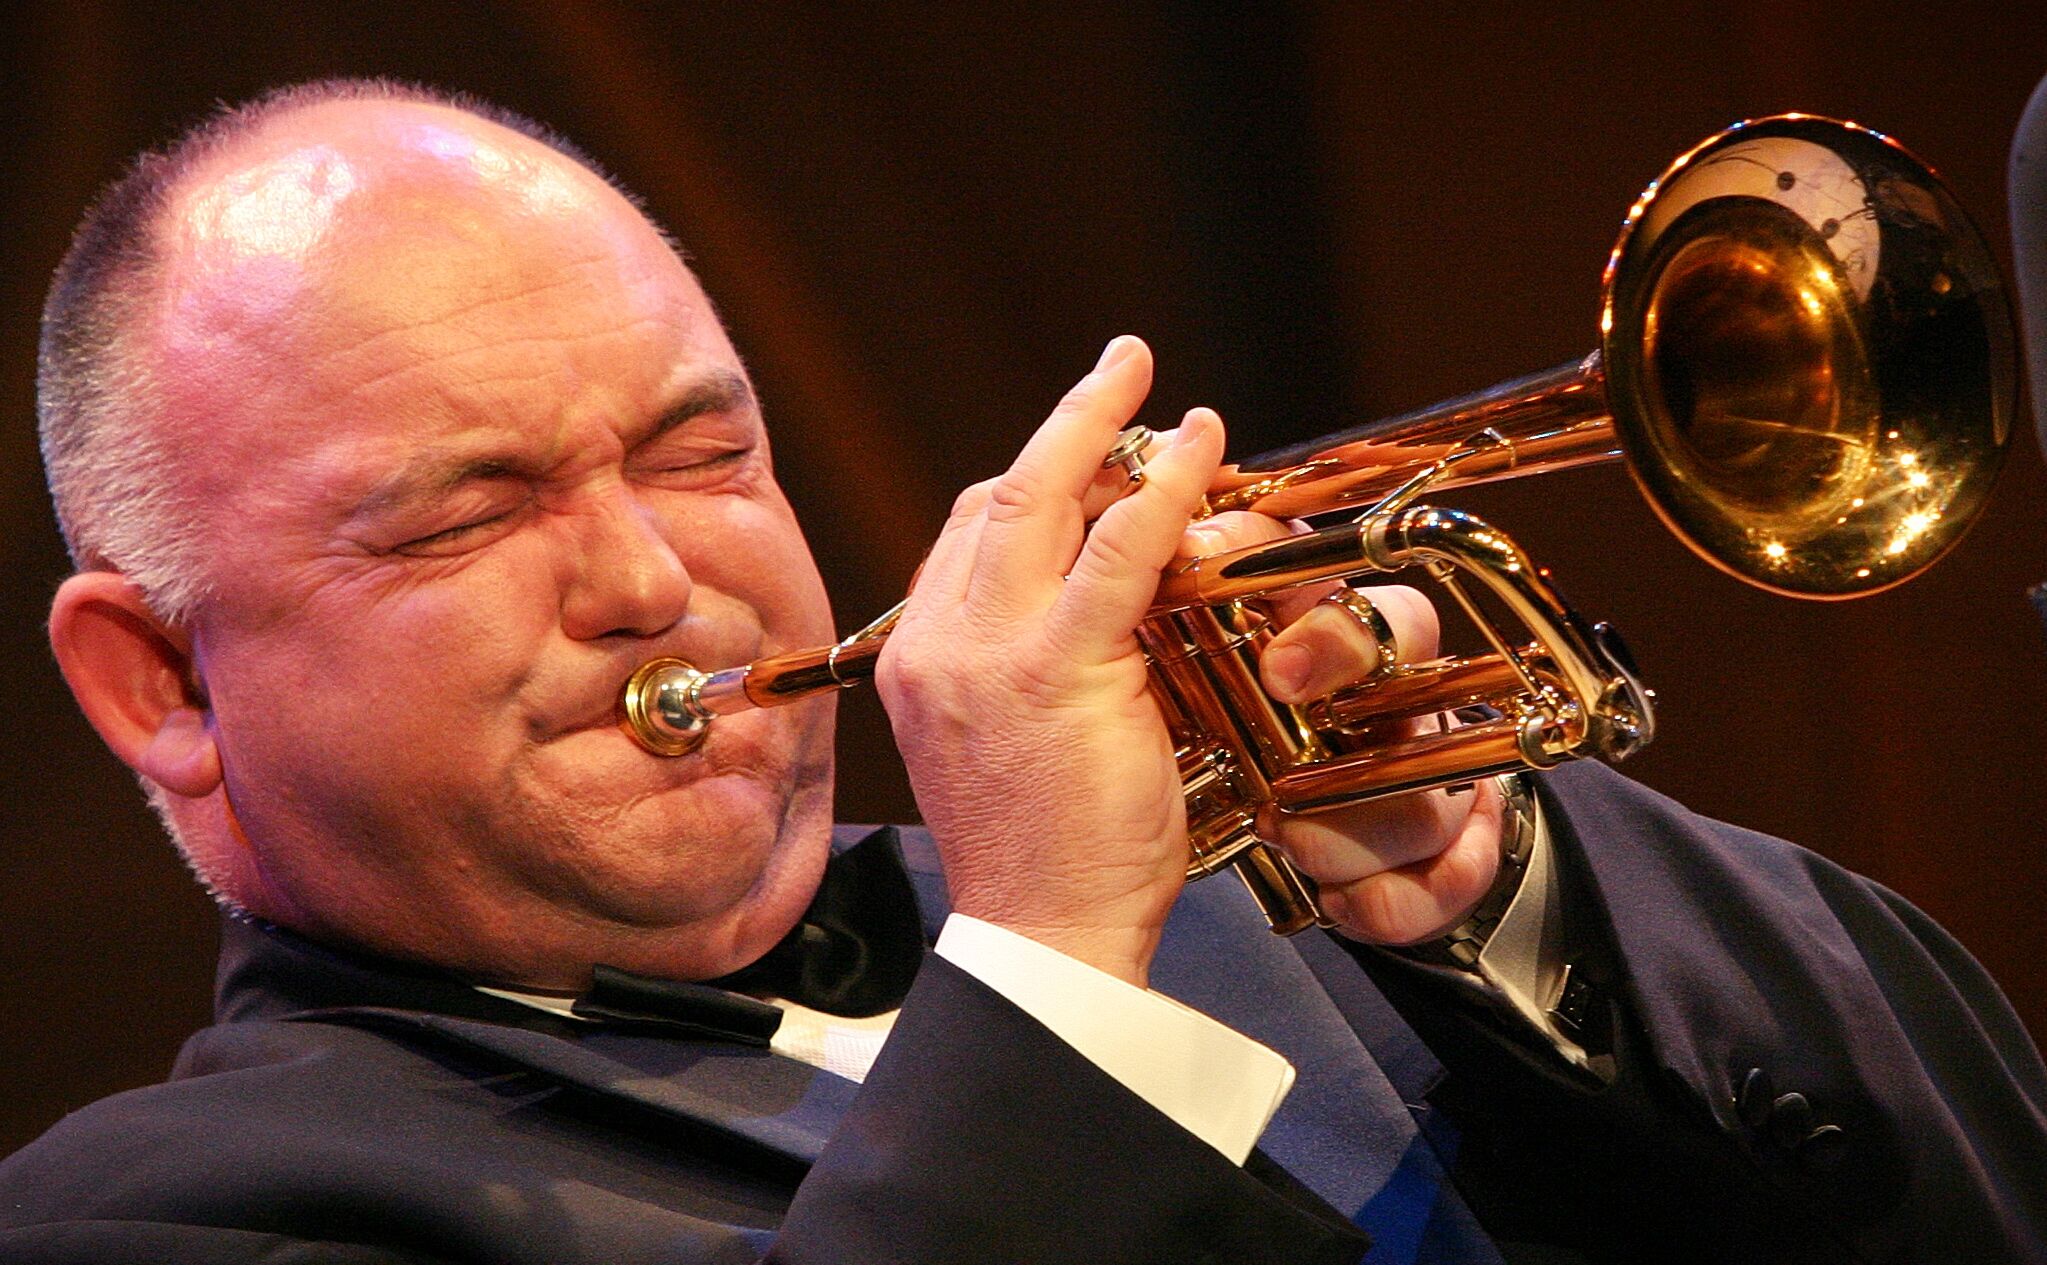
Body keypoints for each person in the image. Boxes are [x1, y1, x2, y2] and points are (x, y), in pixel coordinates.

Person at [1, 79, 2041, 1265]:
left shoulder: (1226, 898)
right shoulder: (156, 1221)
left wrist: (1487, 902)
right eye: (462, 516)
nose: (647, 577)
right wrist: (1056, 965)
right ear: (158, 685)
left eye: (702, 454)